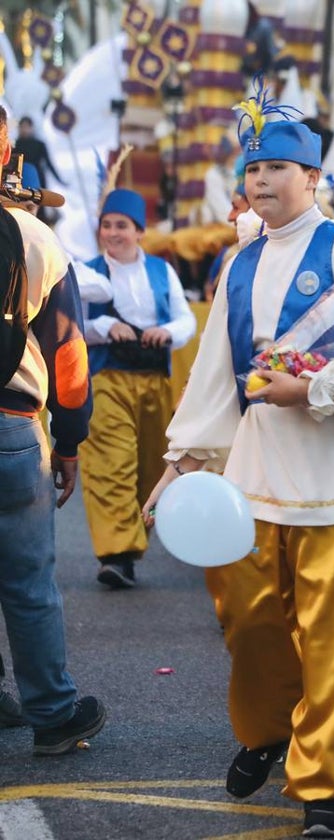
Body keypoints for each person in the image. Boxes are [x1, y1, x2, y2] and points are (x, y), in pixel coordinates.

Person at [141, 90, 334, 837]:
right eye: (254, 169)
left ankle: (324, 789)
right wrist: (182, 462)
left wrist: (313, 387)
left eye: (280, 168)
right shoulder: (241, 260)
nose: (262, 182)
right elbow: (215, 375)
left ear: (314, 178)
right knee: (249, 620)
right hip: (253, 475)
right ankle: (266, 732)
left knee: (330, 639)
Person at [0, 104, 106, 755]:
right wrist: (69, 442)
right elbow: (68, 356)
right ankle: (52, 713)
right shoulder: (33, 236)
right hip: (11, 429)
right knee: (29, 585)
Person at [80, 186, 196, 589]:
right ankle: (116, 554)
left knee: (151, 466)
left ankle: (132, 545)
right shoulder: (86, 271)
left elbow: (186, 320)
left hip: (154, 382)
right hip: (106, 378)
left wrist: (165, 331)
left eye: (122, 226)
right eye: (107, 225)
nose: (113, 233)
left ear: (139, 231)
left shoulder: (163, 272)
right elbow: (73, 324)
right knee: (111, 464)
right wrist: (102, 326)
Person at [13, 116, 62, 189]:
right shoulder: (14, 145)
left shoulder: (39, 145)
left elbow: (49, 163)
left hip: (39, 181)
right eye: (22, 127)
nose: (24, 130)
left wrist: (59, 179)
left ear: (31, 128)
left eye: (26, 127)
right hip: (20, 182)